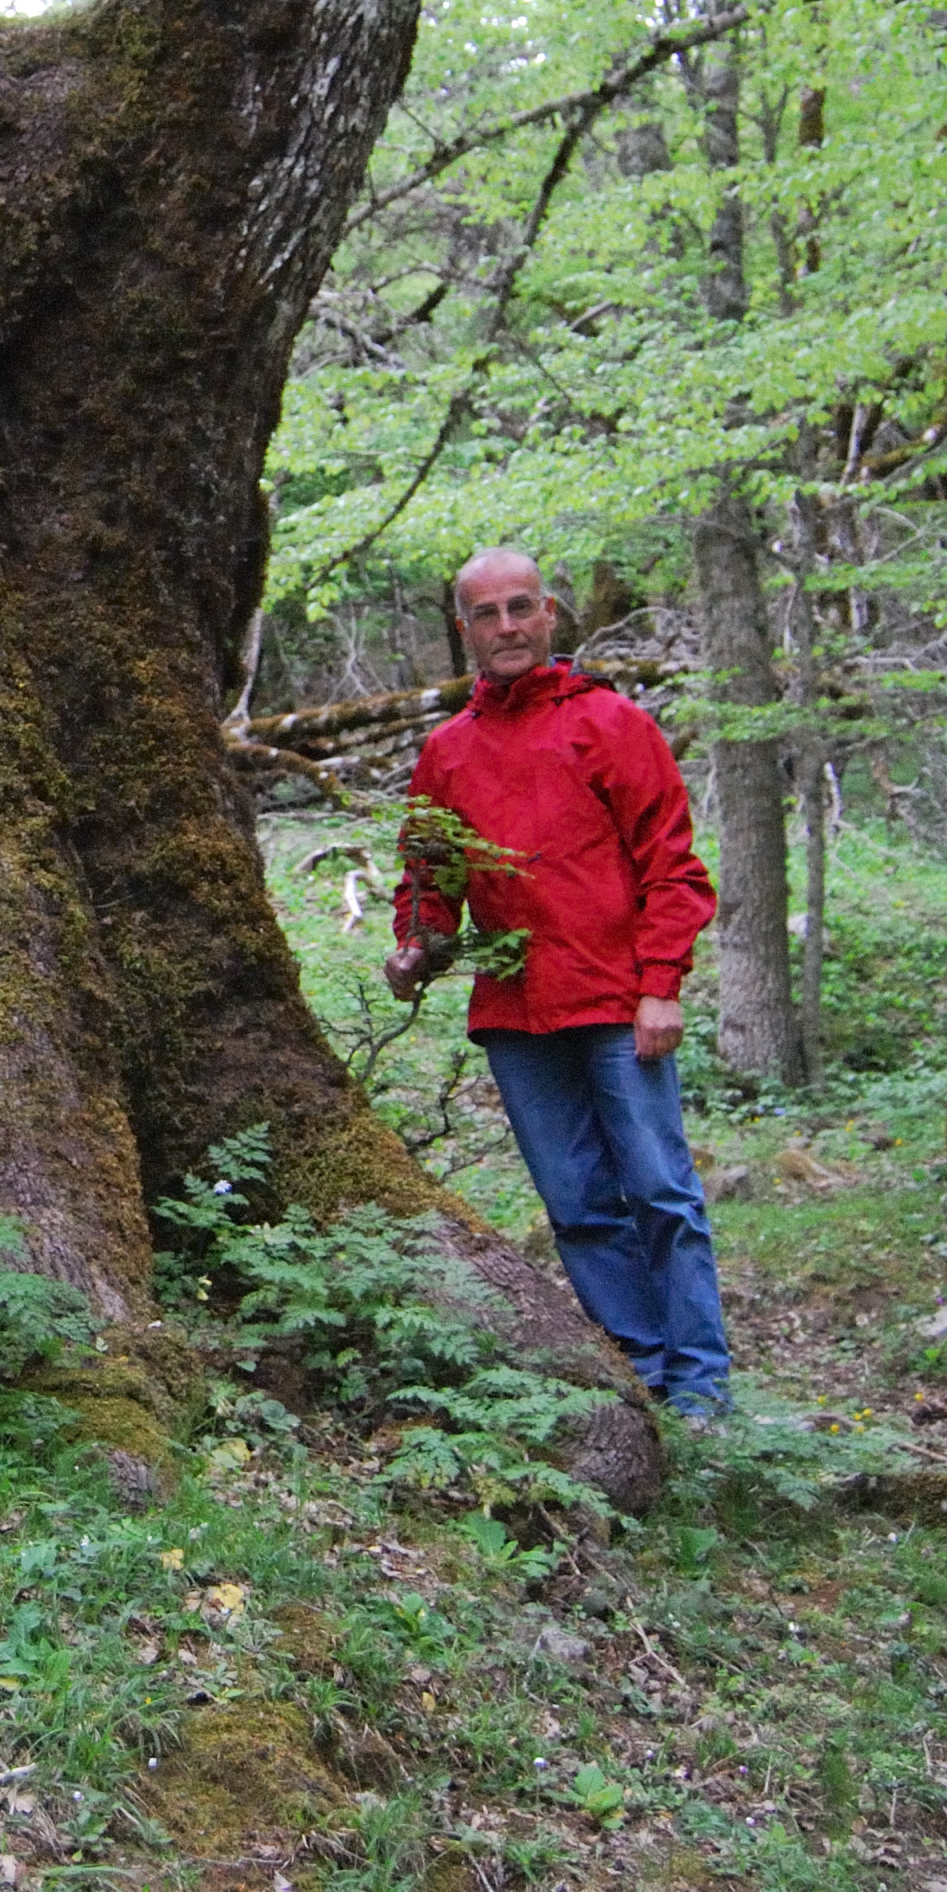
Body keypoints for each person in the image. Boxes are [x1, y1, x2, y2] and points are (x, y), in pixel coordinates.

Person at [383, 548, 731, 1418]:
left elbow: (672, 867)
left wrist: (661, 985)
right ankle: (643, 1374)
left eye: (520, 608)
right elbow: (430, 879)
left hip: (618, 1002)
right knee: (577, 1204)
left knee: (661, 1193)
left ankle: (701, 1387)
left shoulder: (612, 723)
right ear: (464, 630)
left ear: (549, 615)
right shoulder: (448, 752)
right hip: (516, 1014)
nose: (506, 627)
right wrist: (416, 948)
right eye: (487, 613)